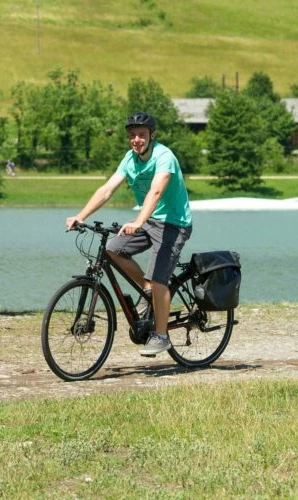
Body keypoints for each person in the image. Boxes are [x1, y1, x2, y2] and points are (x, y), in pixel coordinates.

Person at [65, 111, 192, 357]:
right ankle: (146, 289)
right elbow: (107, 190)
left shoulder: (164, 156)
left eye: (141, 135)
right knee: (113, 249)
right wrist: (81, 216)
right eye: (132, 135)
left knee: (160, 280)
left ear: (152, 135)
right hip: (148, 220)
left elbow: (156, 192)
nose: (136, 139)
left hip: (174, 223)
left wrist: (138, 221)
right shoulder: (129, 159)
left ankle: (161, 336)